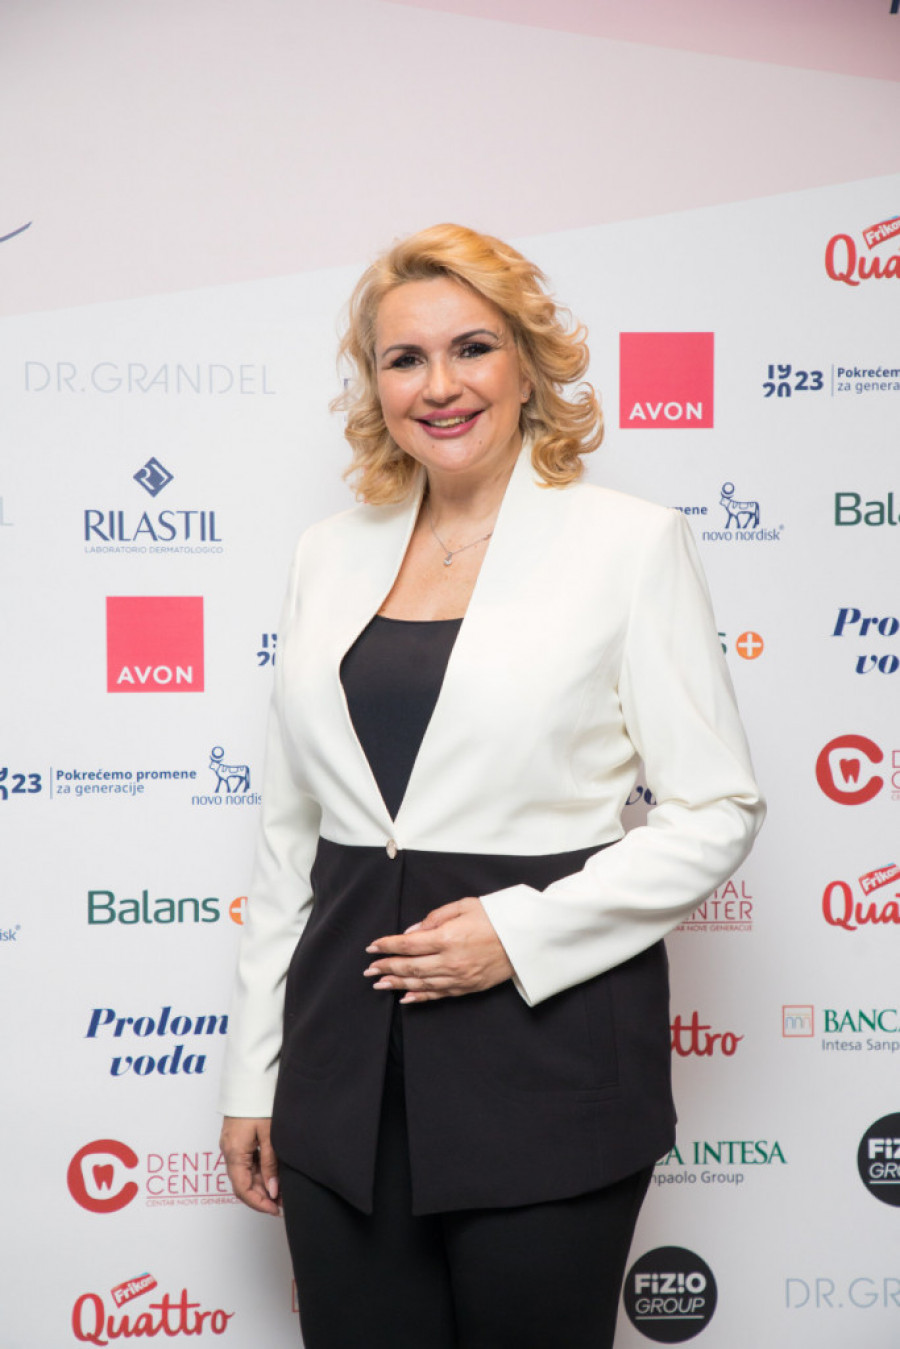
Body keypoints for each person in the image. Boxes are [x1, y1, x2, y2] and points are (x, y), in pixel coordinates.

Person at [218, 223, 764, 1349]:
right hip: (338, 1066)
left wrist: (519, 933)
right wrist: (253, 1074)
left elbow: (718, 809)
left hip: (546, 1056)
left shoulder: (629, 544)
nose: (441, 385)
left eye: (472, 347)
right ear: (374, 383)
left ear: (526, 362)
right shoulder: (329, 551)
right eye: (404, 358)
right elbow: (290, 838)